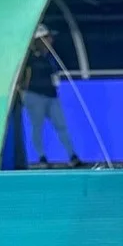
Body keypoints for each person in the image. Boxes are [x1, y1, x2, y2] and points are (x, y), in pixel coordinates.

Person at [20, 24, 81, 167]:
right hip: (35, 96)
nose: (51, 40)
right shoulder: (29, 58)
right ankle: (41, 158)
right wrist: (23, 92)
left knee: (61, 126)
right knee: (37, 128)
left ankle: (72, 156)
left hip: (52, 96)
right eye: (47, 37)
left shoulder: (51, 57)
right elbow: (24, 77)